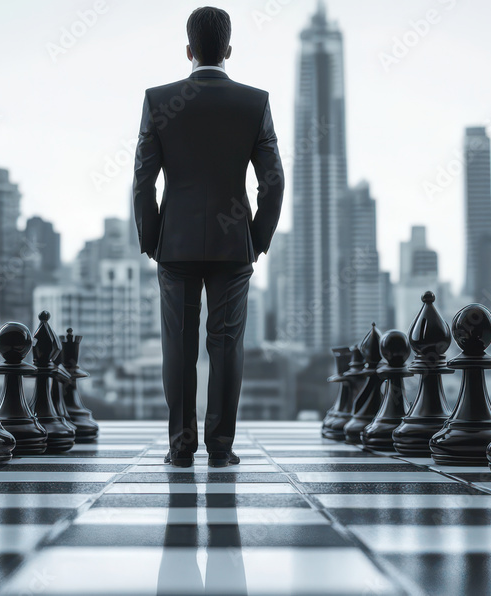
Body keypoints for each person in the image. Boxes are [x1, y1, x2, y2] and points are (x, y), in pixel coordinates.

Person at [132, 6, 284, 468]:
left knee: (178, 346)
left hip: (175, 245)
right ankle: (221, 446)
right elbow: (273, 181)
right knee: (226, 344)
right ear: (229, 50)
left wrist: (152, 239)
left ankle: (181, 447)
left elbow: (143, 181)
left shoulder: (159, 100)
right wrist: (254, 239)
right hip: (232, 245)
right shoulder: (254, 102)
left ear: (188, 50)